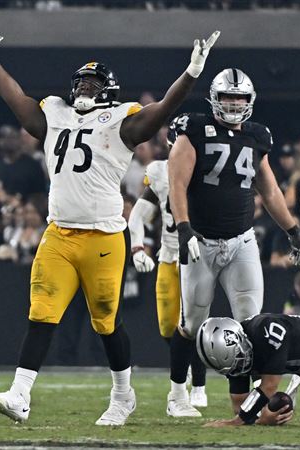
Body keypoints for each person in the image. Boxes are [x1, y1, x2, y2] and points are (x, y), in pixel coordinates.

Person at [0, 17, 220, 426]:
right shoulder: (54, 113)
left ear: (109, 91)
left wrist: (191, 74)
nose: (85, 89)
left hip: (104, 237)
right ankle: (19, 394)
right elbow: (17, 100)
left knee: (106, 322)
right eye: (81, 83)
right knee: (41, 312)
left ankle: (123, 396)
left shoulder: (123, 120)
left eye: (93, 84)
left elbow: (162, 111)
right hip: (58, 234)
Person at [166, 68, 300, 417]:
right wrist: (183, 227)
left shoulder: (257, 137)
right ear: (214, 98)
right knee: (193, 323)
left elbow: (269, 189)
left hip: (241, 241)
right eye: (227, 97)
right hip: (201, 240)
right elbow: (177, 183)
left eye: (239, 98)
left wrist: (292, 227)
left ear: (249, 101)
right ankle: (177, 393)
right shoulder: (194, 128)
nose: (232, 103)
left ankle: (243, 404)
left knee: (249, 323)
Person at [128, 114, 208, 409]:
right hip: (168, 256)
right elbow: (138, 216)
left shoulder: (209, 171)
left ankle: (198, 384)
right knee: (166, 327)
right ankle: (184, 368)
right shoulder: (160, 172)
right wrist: (137, 248)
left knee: (192, 326)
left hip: (199, 258)